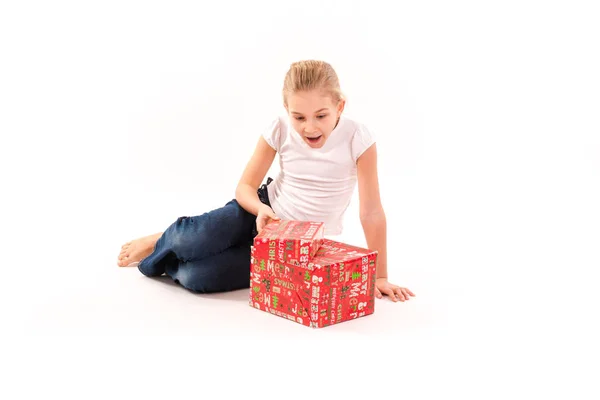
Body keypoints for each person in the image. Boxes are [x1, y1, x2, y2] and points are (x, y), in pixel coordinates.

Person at [117, 60, 415, 302]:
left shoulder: (358, 138)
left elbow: (372, 212)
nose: (309, 127)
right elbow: (245, 188)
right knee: (188, 238)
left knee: (198, 278)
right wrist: (261, 210)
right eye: (299, 117)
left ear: (340, 106)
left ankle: (166, 247)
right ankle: (162, 240)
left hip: (298, 241)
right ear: (287, 111)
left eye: (321, 116)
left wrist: (379, 276)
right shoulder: (279, 129)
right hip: (258, 210)